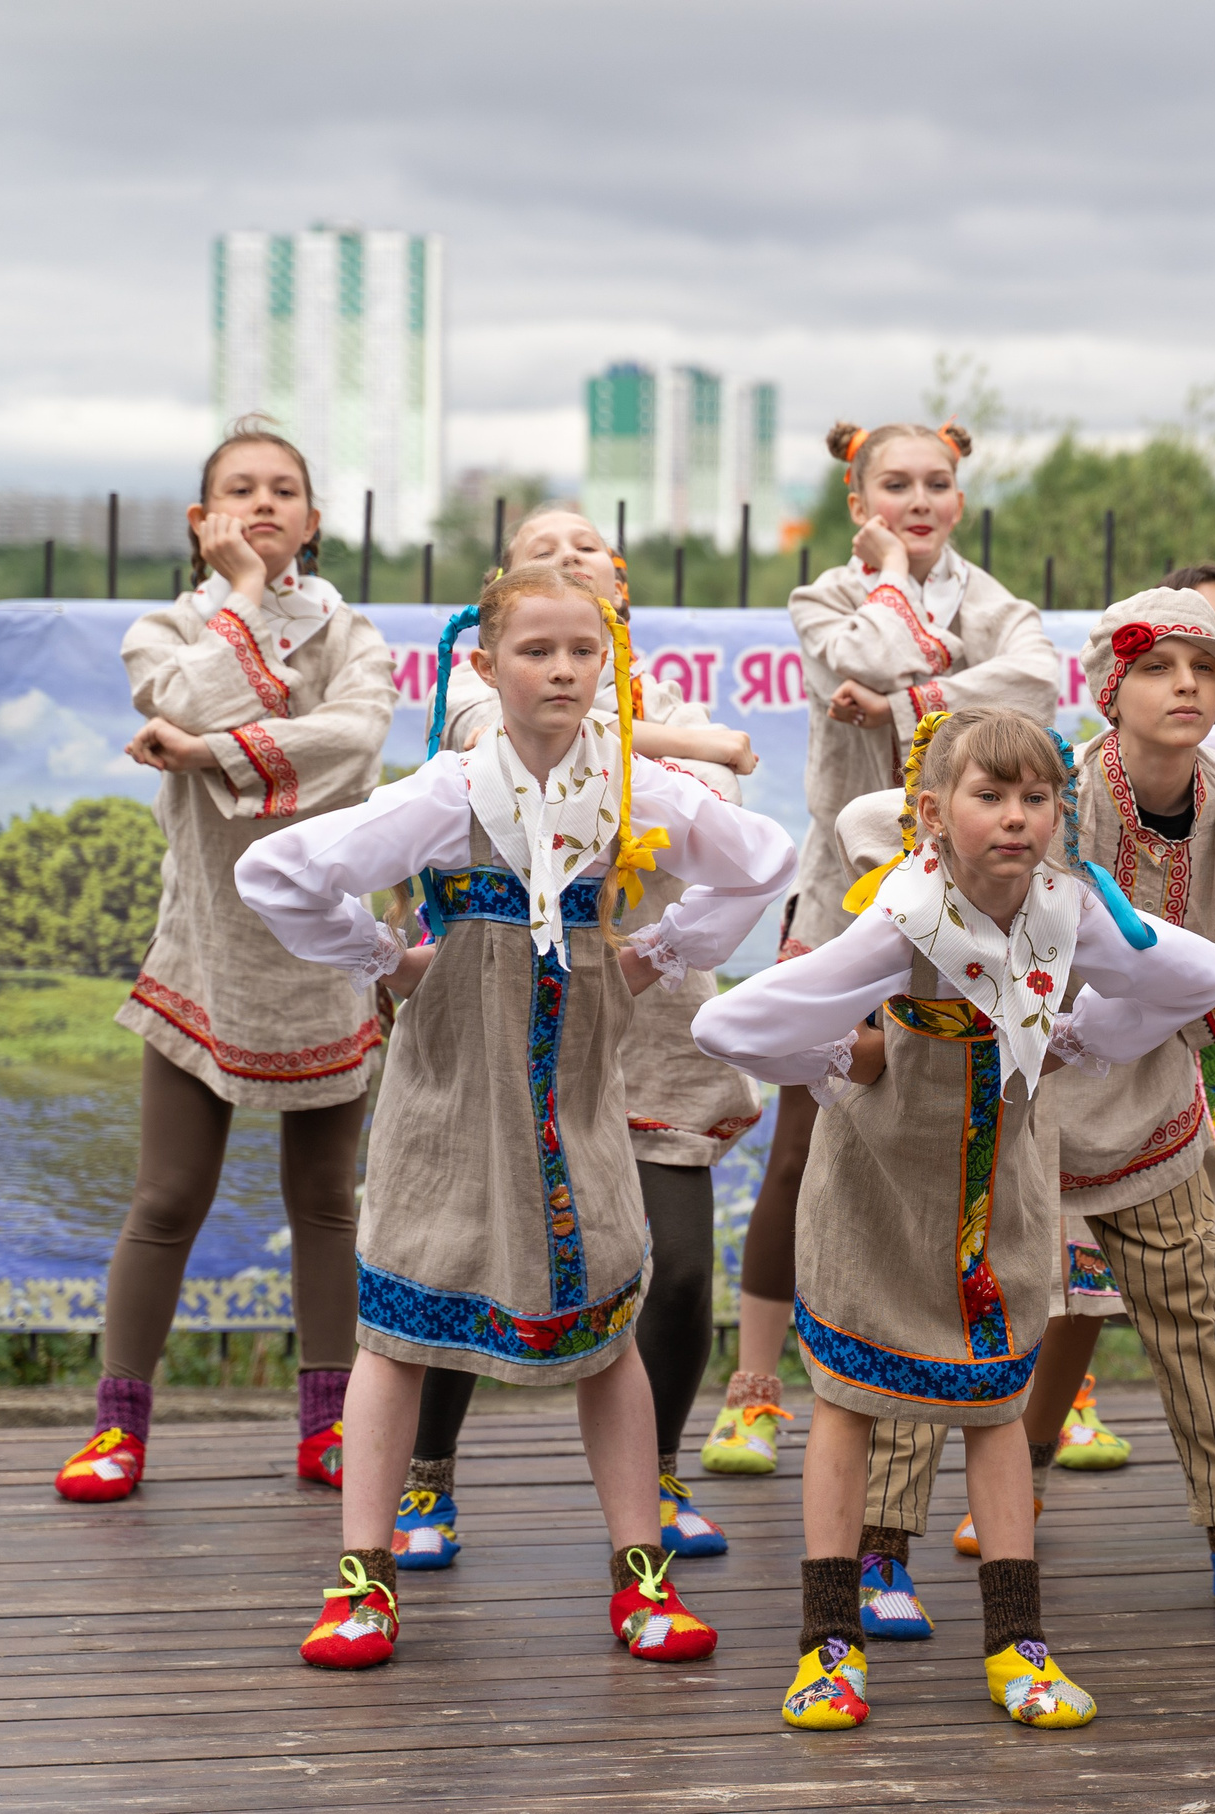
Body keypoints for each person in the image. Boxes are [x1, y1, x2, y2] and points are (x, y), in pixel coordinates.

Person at [235, 564, 796, 1670]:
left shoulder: (632, 788)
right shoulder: (449, 791)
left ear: (608, 665)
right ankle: (364, 1575)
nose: (563, 669)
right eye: (537, 651)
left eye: (582, 651)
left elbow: (760, 861)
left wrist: (655, 957)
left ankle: (641, 1575)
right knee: (401, 1304)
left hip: (576, 1077)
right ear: (486, 667)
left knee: (602, 1308)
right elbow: (282, 869)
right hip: (449, 1077)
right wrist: (385, 961)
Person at [694, 708, 1215, 1731]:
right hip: (881, 1196)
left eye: (1037, 797)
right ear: (934, 815)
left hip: (1004, 1202)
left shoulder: (1067, 912)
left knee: (997, 1406)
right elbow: (735, 1019)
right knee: (849, 1401)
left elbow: (1196, 976)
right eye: (990, 796)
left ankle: (1016, 1644)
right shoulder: (901, 919)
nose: (1017, 818)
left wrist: (1084, 1031)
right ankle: (828, 1642)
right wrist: (836, 1058)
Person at [865, 590, 1215, 1628]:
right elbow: (917, 853)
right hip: (1015, 1090)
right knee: (948, 1306)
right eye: (1159, 665)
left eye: (1205, 668)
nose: (1187, 684)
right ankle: (879, 1551)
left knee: (1191, 1312)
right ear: (1107, 690)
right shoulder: (1057, 795)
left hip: (1147, 1096)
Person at [397, 508, 758, 1571]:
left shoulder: (673, 698)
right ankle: (428, 1474)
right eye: (540, 544)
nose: (566, 552)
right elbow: (497, 749)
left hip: (646, 1008)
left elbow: (717, 809)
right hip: (510, 1007)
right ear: (503, 603)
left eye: (588, 543)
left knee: (680, 1269)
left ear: (620, 587)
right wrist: (685, 749)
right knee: (463, 1248)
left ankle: (655, 1476)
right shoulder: (473, 690)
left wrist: (681, 745)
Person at [53, 418, 397, 1506]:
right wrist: (242, 601)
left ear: (314, 518)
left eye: (282, 490)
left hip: (320, 950)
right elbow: (177, 696)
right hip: (203, 947)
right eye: (238, 490)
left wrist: (207, 754)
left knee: (328, 1203)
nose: (262, 504)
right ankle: (118, 1425)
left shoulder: (355, 636)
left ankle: (331, 1425)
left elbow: (356, 742)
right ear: (203, 520)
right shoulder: (165, 628)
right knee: (167, 1195)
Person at [709, 420, 1058, 1480]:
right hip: (846, 893)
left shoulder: (1002, 604)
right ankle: (757, 1386)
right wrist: (902, 588)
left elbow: (1037, 689)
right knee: (805, 1142)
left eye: (936, 484)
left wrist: (907, 701)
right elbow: (854, 653)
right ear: (857, 495)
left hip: (977, 909)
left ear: (961, 493)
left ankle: (969, 1375)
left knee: (976, 1134)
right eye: (894, 485)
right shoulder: (823, 595)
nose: (917, 499)